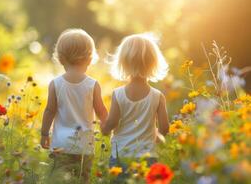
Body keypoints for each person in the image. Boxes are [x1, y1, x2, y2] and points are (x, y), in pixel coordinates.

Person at [40, 29, 107, 183]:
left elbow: (49, 111)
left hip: (60, 145)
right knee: (82, 179)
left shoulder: (56, 84)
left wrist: (44, 133)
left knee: (59, 179)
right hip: (84, 145)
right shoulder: (93, 85)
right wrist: (108, 127)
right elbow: (101, 111)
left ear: (61, 58)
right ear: (90, 59)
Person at [102, 33, 170, 177]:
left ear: (123, 62)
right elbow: (165, 128)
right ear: (153, 63)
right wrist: (156, 136)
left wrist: (104, 128)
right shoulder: (158, 96)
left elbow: (112, 123)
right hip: (148, 157)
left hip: (121, 157)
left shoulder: (118, 94)